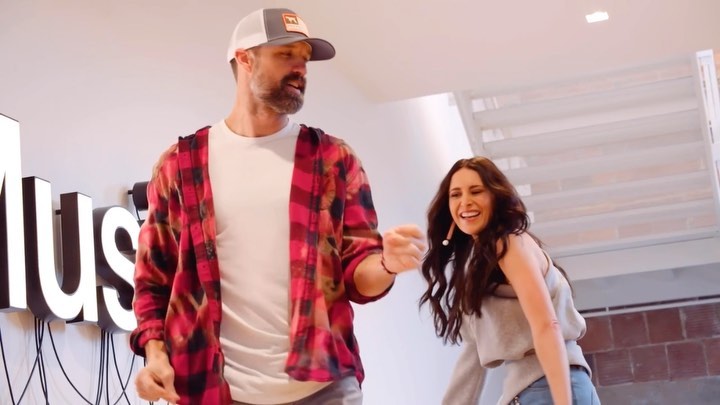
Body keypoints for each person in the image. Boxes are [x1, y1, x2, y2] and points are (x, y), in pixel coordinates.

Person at [130, 8, 425, 405]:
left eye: (305, 58)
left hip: (323, 389)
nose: (300, 68)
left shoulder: (332, 159)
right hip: (214, 390)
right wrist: (154, 355)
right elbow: (152, 279)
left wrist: (388, 264)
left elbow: (359, 278)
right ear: (245, 59)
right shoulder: (180, 166)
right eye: (286, 54)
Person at [420, 157, 600, 405]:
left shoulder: (509, 243)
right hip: (536, 390)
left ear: (496, 196)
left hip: (549, 387)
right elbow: (473, 355)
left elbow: (547, 325)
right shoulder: (479, 265)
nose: (465, 202)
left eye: (476, 191)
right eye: (455, 194)